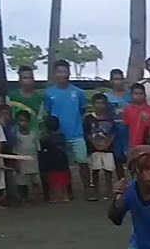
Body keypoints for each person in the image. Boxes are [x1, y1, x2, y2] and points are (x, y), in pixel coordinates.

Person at [43, 59, 90, 197]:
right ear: (55, 74)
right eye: (59, 71)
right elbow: (48, 112)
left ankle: (88, 189)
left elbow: (82, 110)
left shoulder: (78, 92)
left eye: (64, 71)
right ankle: (67, 191)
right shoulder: (49, 93)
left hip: (77, 134)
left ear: (69, 73)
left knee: (82, 161)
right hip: (58, 135)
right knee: (63, 165)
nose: (62, 74)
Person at [84, 93, 117, 201]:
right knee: (95, 170)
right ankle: (96, 191)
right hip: (94, 148)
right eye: (97, 103)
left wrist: (106, 144)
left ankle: (109, 190)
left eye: (102, 103)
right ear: (93, 104)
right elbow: (88, 133)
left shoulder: (110, 119)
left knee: (108, 170)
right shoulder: (89, 118)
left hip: (108, 149)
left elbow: (112, 133)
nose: (100, 105)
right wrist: (95, 144)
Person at [104, 69, 132, 176]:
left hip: (129, 131)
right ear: (111, 81)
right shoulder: (107, 97)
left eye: (120, 79)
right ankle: (121, 181)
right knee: (117, 159)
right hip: (115, 132)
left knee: (131, 158)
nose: (119, 81)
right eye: (116, 79)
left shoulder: (130, 95)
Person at [41, 116, 72, 203]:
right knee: (63, 180)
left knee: (53, 180)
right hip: (63, 160)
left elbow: (43, 146)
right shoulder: (62, 136)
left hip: (52, 162)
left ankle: (54, 197)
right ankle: (65, 196)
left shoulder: (47, 138)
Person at [12, 111, 41, 204]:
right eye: (20, 120)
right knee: (21, 182)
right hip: (21, 163)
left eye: (24, 120)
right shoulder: (16, 136)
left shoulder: (34, 135)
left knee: (35, 181)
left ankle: (36, 199)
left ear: (28, 121)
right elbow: (14, 152)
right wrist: (16, 164)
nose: (23, 123)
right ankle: (22, 198)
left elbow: (38, 150)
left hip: (33, 162)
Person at [122, 82, 150, 153]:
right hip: (132, 145)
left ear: (145, 95)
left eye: (141, 94)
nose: (139, 96)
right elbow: (126, 129)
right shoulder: (128, 110)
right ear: (131, 95)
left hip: (147, 145)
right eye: (136, 94)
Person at [9, 65, 43, 131]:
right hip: (16, 133)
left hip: (34, 133)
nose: (28, 80)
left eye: (30, 77)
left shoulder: (40, 97)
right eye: (25, 78)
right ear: (20, 80)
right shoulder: (11, 96)